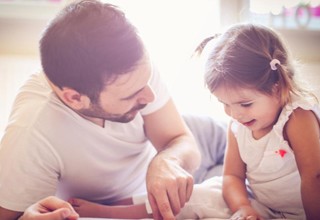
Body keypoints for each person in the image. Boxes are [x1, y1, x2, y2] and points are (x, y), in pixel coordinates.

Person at [0, 0, 228, 220]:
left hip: (194, 146)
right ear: (75, 98)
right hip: (135, 203)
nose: (150, 97)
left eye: (147, 81)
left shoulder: (132, 72)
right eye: (131, 95)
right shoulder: (32, 133)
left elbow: (182, 141)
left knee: (251, 151)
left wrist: (166, 161)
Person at [193, 23, 320, 219]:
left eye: (245, 104)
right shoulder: (237, 126)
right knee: (199, 194)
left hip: (308, 208)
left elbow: (315, 178)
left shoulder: (297, 117)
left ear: (277, 87)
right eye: (224, 103)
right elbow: (232, 176)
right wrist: (243, 207)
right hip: (263, 205)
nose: (234, 114)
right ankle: (138, 207)